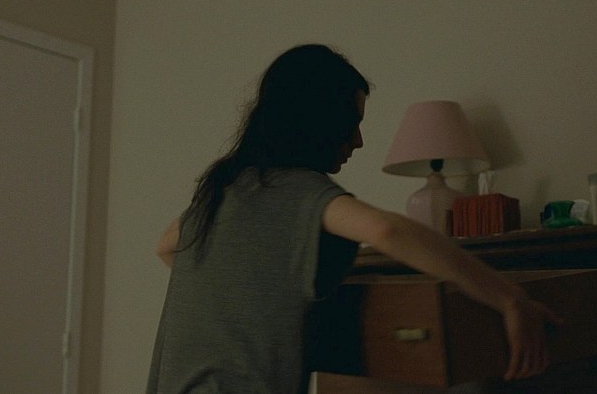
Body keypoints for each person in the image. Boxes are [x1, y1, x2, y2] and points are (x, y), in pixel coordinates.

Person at [147, 44, 561, 394]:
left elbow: (166, 246)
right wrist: (510, 299)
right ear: (318, 121)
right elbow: (386, 230)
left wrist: (241, 292)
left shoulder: (225, 188)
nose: (359, 142)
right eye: (353, 123)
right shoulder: (299, 190)